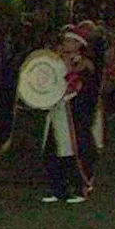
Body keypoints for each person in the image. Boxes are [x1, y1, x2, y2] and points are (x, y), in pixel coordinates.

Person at [42, 24, 99, 204]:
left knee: (74, 149)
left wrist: (67, 66)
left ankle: (81, 187)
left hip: (74, 112)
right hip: (57, 110)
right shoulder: (57, 59)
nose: (65, 44)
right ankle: (58, 188)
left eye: (70, 41)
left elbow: (77, 85)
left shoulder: (83, 63)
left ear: (78, 44)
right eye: (65, 40)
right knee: (51, 150)